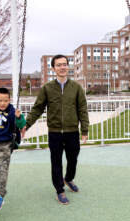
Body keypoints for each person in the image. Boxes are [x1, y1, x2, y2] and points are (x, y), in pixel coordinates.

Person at [21, 54, 89, 205]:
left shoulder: (77, 88)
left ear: (68, 67)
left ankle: (68, 179)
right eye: (59, 65)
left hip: (72, 132)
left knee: (73, 160)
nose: (62, 67)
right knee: (56, 162)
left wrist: (84, 130)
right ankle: (60, 190)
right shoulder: (47, 88)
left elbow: (82, 109)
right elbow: (37, 108)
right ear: (53, 68)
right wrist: (26, 124)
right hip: (55, 133)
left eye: (65, 64)